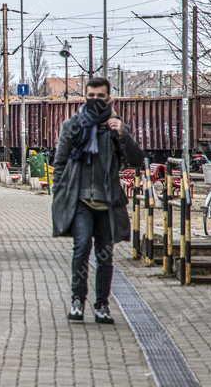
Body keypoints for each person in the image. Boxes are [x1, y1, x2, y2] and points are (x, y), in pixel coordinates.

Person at [52, 77, 142, 325]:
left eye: (100, 97)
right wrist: (59, 194)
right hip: (80, 199)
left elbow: (136, 160)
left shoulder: (116, 128)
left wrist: (122, 134)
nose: (95, 101)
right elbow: (59, 162)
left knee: (105, 255)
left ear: (109, 99)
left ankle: (102, 304)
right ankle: (77, 300)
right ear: (85, 97)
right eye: (90, 96)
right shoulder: (72, 125)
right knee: (81, 248)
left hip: (108, 201)